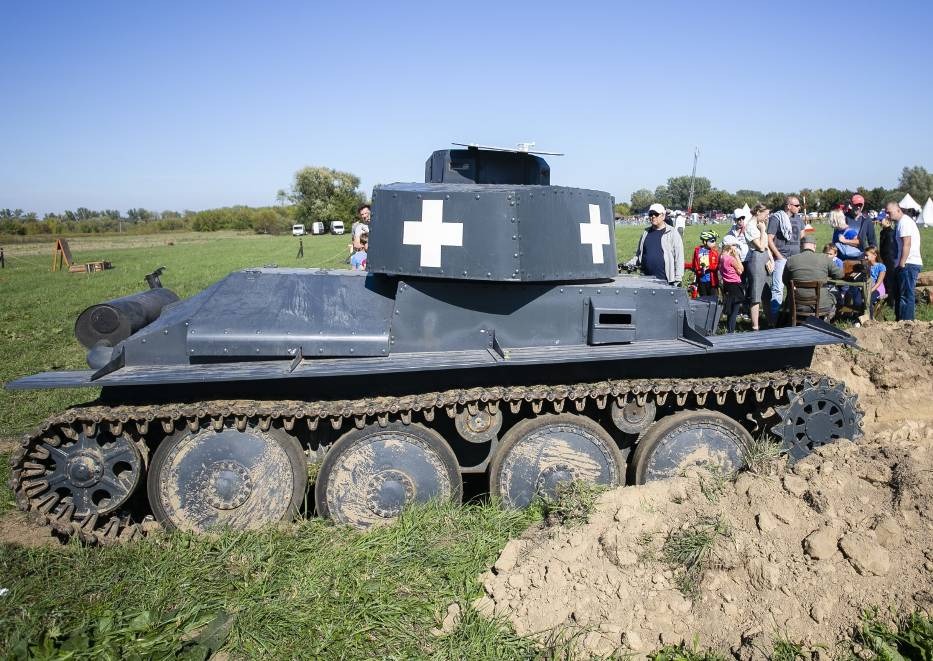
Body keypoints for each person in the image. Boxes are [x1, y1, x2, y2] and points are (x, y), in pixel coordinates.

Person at [782, 235, 843, 320]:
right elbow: (840, 275)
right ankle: (827, 321)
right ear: (814, 246)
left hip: (797, 304)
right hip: (821, 305)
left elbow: (785, 280)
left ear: (801, 246)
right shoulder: (824, 258)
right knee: (836, 296)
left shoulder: (791, 260)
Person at [624, 203, 684, 285]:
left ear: (663, 216)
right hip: (645, 280)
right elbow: (639, 255)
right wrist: (628, 264)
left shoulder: (673, 233)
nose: (653, 216)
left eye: (656, 214)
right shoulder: (645, 233)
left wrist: (678, 278)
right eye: (651, 214)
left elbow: (679, 257)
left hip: (666, 281)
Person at [767, 196, 805, 322]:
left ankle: (790, 317)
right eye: (797, 205)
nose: (799, 207)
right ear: (789, 206)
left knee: (793, 288)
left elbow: (802, 236)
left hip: (795, 259)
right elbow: (769, 239)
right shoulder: (776, 218)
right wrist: (778, 255)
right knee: (778, 289)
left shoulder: (799, 219)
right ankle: (773, 320)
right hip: (781, 258)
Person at [885, 201, 923, 320]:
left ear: (898, 210)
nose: (888, 215)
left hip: (908, 263)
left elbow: (907, 244)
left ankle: (907, 323)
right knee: (902, 295)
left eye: (889, 212)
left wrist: (902, 263)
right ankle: (901, 321)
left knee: (906, 295)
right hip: (907, 263)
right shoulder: (903, 222)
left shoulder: (904, 223)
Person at [745, 204, 772, 330]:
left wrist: (770, 258)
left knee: (767, 294)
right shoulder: (751, 227)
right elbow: (760, 246)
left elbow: (766, 247)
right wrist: (762, 230)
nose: (767, 217)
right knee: (756, 295)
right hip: (756, 259)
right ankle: (755, 326)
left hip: (764, 258)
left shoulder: (760, 224)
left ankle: (770, 322)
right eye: (765, 214)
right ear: (758, 212)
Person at [719, 237, 745, 333]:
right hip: (735, 286)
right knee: (735, 310)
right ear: (730, 247)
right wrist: (737, 256)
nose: (736, 247)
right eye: (734, 245)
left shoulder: (721, 258)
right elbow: (741, 270)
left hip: (727, 285)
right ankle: (731, 331)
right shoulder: (730, 259)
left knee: (730, 309)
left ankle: (729, 328)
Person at [876, 211, 898, 311]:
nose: (880, 221)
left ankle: (891, 302)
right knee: (884, 280)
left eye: (882, 220)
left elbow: (889, 249)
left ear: (888, 221)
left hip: (889, 260)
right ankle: (885, 297)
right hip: (884, 259)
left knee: (889, 280)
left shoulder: (891, 233)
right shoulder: (883, 232)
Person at [689, 230, 719, 296]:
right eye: (712, 241)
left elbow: (718, 265)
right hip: (701, 280)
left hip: (712, 281)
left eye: (715, 241)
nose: (714, 243)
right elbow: (694, 263)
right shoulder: (697, 250)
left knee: (713, 299)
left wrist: (709, 267)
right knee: (703, 298)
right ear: (705, 241)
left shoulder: (714, 252)